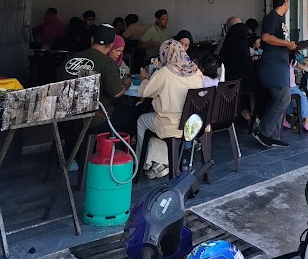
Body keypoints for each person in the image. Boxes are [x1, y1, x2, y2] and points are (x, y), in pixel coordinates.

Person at [59, 25, 133, 166]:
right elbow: (116, 93)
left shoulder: (69, 59)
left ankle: (73, 156)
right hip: (94, 120)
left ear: (92, 39)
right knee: (129, 116)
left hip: (65, 117)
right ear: (111, 45)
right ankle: (112, 157)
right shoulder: (107, 63)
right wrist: (126, 85)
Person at [136, 39, 204, 179]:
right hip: (194, 123)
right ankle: (160, 162)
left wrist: (144, 79)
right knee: (158, 121)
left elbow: (145, 92)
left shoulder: (165, 72)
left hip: (172, 125)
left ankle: (143, 163)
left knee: (142, 121)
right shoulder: (196, 70)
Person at [253, 0, 296, 149]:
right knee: (283, 98)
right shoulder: (272, 17)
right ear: (286, 2)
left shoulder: (279, 19)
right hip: (272, 65)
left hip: (280, 65)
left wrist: (291, 47)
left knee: (279, 100)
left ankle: (273, 136)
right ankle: (263, 132)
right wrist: (287, 44)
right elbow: (266, 37)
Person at [219, 22, 255, 121]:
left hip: (228, 81)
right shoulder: (242, 47)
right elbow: (248, 66)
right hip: (243, 83)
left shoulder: (226, 46)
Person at [283, 57, 308, 133]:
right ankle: (306, 121)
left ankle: (284, 119)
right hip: (291, 87)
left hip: (281, 87)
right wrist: (306, 63)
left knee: (284, 99)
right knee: (303, 97)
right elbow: (304, 68)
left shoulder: (278, 60)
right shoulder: (292, 61)